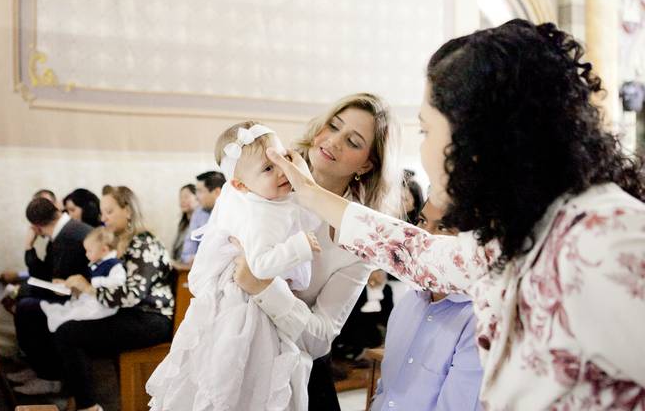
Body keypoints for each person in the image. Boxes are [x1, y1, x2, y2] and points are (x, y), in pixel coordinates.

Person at [266, 20, 645, 409]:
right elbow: (410, 249)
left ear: (476, 137)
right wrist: (308, 191)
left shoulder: (603, 237)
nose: (425, 151)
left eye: (428, 131)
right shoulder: (509, 241)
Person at [232, 93, 403, 410]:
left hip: (298, 373)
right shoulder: (260, 180)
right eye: (333, 126)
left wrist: (263, 287)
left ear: (366, 164)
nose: (333, 142)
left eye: (352, 141)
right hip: (233, 351)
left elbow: (320, 338)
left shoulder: (358, 238)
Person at [147, 122, 322, 411]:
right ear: (240, 184)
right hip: (244, 307)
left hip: (258, 298)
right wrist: (298, 247)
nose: (280, 171)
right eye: (268, 168)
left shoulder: (263, 199)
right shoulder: (257, 213)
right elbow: (260, 265)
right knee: (244, 370)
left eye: (282, 160)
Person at [55, 185, 173, 411]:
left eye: (109, 211)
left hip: (151, 318)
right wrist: (79, 287)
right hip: (131, 314)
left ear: (128, 210)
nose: (103, 218)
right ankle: (87, 399)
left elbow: (132, 294)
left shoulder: (143, 242)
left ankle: (88, 406)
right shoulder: (119, 242)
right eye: (102, 212)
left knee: (68, 333)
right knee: (65, 324)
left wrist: (89, 289)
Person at [372, 199, 482, 410]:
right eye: (422, 221)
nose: (423, 237)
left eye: (442, 227)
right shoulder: (409, 302)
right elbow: (385, 390)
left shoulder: (476, 320)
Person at [10, 197, 92, 395]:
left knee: (27, 308)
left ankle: (50, 376)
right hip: (73, 293)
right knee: (24, 296)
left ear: (36, 226)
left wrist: (28, 247)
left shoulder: (68, 236)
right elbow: (48, 275)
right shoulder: (65, 230)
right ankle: (38, 368)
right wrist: (30, 251)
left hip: (84, 299)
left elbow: (57, 281)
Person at [40, 227, 125, 332]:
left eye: (89, 251)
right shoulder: (97, 262)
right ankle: (57, 310)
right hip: (93, 298)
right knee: (75, 306)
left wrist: (95, 282)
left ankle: (58, 319)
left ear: (104, 250)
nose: (86, 254)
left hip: (104, 306)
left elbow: (118, 282)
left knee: (77, 313)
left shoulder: (114, 265)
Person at [180, 171, 225, 264]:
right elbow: (187, 253)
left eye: (200, 191)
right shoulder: (198, 213)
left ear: (217, 192)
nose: (196, 197)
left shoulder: (234, 213)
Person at [171, 184, 198, 262]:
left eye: (186, 197)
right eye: (180, 197)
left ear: (197, 198)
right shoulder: (183, 224)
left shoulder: (201, 224)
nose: (182, 200)